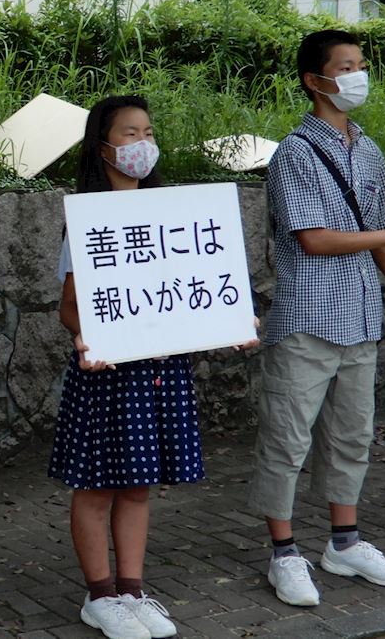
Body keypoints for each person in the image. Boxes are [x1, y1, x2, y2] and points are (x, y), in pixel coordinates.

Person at [250, 29, 385, 607]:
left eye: (361, 64)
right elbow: (314, 239)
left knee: (352, 437)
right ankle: (284, 553)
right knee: (286, 440)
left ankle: (345, 543)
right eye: (345, 67)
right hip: (308, 320)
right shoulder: (294, 153)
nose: (357, 76)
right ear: (314, 81)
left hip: (360, 317)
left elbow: (377, 228)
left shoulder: (368, 149)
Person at [50, 95, 258, 639]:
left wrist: (232, 320)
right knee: (96, 487)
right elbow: (69, 305)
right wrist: (84, 337)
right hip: (107, 373)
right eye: (130, 133)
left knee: (139, 485)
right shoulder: (88, 219)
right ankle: (100, 596)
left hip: (157, 372)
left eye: (148, 132)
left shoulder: (175, 214)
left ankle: (132, 589)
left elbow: (197, 290)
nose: (142, 143)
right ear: (103, 147)